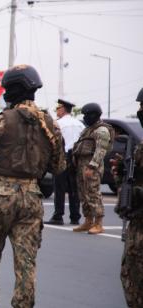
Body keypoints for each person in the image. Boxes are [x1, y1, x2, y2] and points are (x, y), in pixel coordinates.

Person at [0, 65, 65, 308]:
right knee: (26, 264)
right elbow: (59, 166)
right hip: (32, 197)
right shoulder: (50, 124)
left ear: (11, 90)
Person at [112, 87, 143, 308]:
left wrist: (137, 194)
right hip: (137, 224)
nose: (140, 111)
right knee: (130, 279)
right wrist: (122, 174)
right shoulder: (140, 148)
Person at [72, 103, 113, 234]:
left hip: (91, 165)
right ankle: (88, 220)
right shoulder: (88, 129)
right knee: (83, 193)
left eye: (87, 115)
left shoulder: (102, 130)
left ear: (94, 115)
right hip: (81, 164)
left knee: (93, 193)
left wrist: (92, 166)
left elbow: (101, 150)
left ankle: (98, 223)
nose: (85, 117)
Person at [45, 99, 85, 225]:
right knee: (74, 188)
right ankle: (75, 216)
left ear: (63, 109)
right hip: (76, 158)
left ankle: (58, 216)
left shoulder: (57, 124)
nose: (57, 110)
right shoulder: (79, 124)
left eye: (58, 108)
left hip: (62, 157)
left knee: (59, 188)